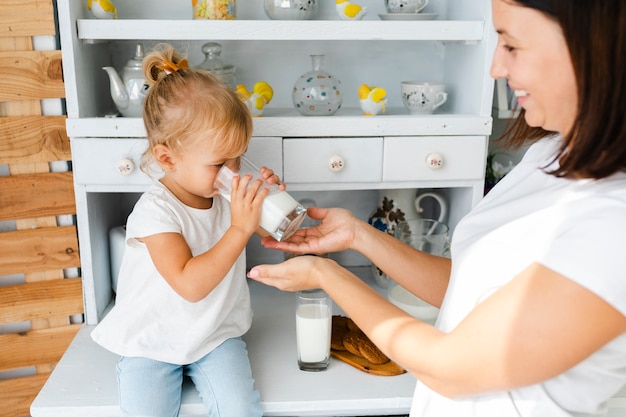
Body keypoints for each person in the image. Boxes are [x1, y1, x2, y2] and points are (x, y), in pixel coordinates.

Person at [247, 1, 626, 416]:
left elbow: (450, 367)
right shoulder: (551, 155)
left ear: (590, 48)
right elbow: (469, 290)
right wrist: (358, 236)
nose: (496, 68)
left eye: (512, 46)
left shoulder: (612, 227)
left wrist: (327, 274)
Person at [91, 43, 279, 417]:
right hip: (152, 338)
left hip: (214, 334)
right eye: (219, 163)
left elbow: (274, 236)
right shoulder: (154, 213)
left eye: (238, 158)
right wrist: (239, 230)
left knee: (241, 410)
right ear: (167, 157)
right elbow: (190, 284)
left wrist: (267, 203)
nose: (232, 172)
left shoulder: (221, 193)